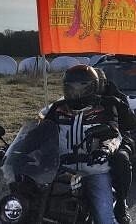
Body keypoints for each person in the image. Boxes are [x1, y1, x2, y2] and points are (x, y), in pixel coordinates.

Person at [44, 64, 120, 224]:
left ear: (93, 87)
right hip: (61, 172)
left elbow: (114, 134)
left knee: (105, 218)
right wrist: (10, 150)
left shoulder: (104, 107)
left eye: (81, 88)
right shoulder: (57, 109)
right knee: (36, 208)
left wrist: (105, 150)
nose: (75, 92)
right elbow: (39, 133)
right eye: (71, 88)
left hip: (94, 171)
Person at [95, 67, 136, 224]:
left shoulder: (115, 97)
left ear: (102, 83)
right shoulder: (76, 99)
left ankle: (121, 202)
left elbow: (133, 123)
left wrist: (120, 104)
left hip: (117, 138)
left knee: (121, 159)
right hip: (85, 139)